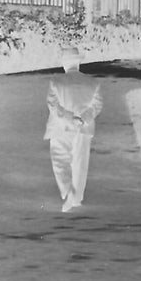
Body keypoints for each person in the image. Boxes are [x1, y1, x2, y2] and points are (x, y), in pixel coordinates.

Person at [45, 70, 103, 212]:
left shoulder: (56, 82)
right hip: (83, 127)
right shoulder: (93, 83)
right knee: (80, 162)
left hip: (61, 126)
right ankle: (76, 198)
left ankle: (67, 190)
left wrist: (69, 117)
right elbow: (97, 105)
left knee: (59, 159)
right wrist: (83, 118)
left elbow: (53, 105)